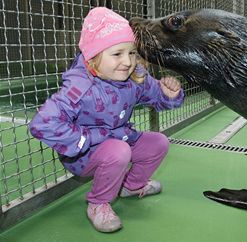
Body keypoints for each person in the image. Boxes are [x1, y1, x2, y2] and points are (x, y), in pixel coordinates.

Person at [28, 7, 184, 233]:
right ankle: (98, 203)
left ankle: (131, 186)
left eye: (131, 52)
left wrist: (170, 95)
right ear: (94, 57)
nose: (127, 61)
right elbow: (43, 123)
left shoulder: (133, 77)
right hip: (84, 154)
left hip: (120, 139)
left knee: (158, 143)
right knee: (119, 151)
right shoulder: (81, 87)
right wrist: (88, 138)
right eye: (117, 54)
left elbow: (156, 97)